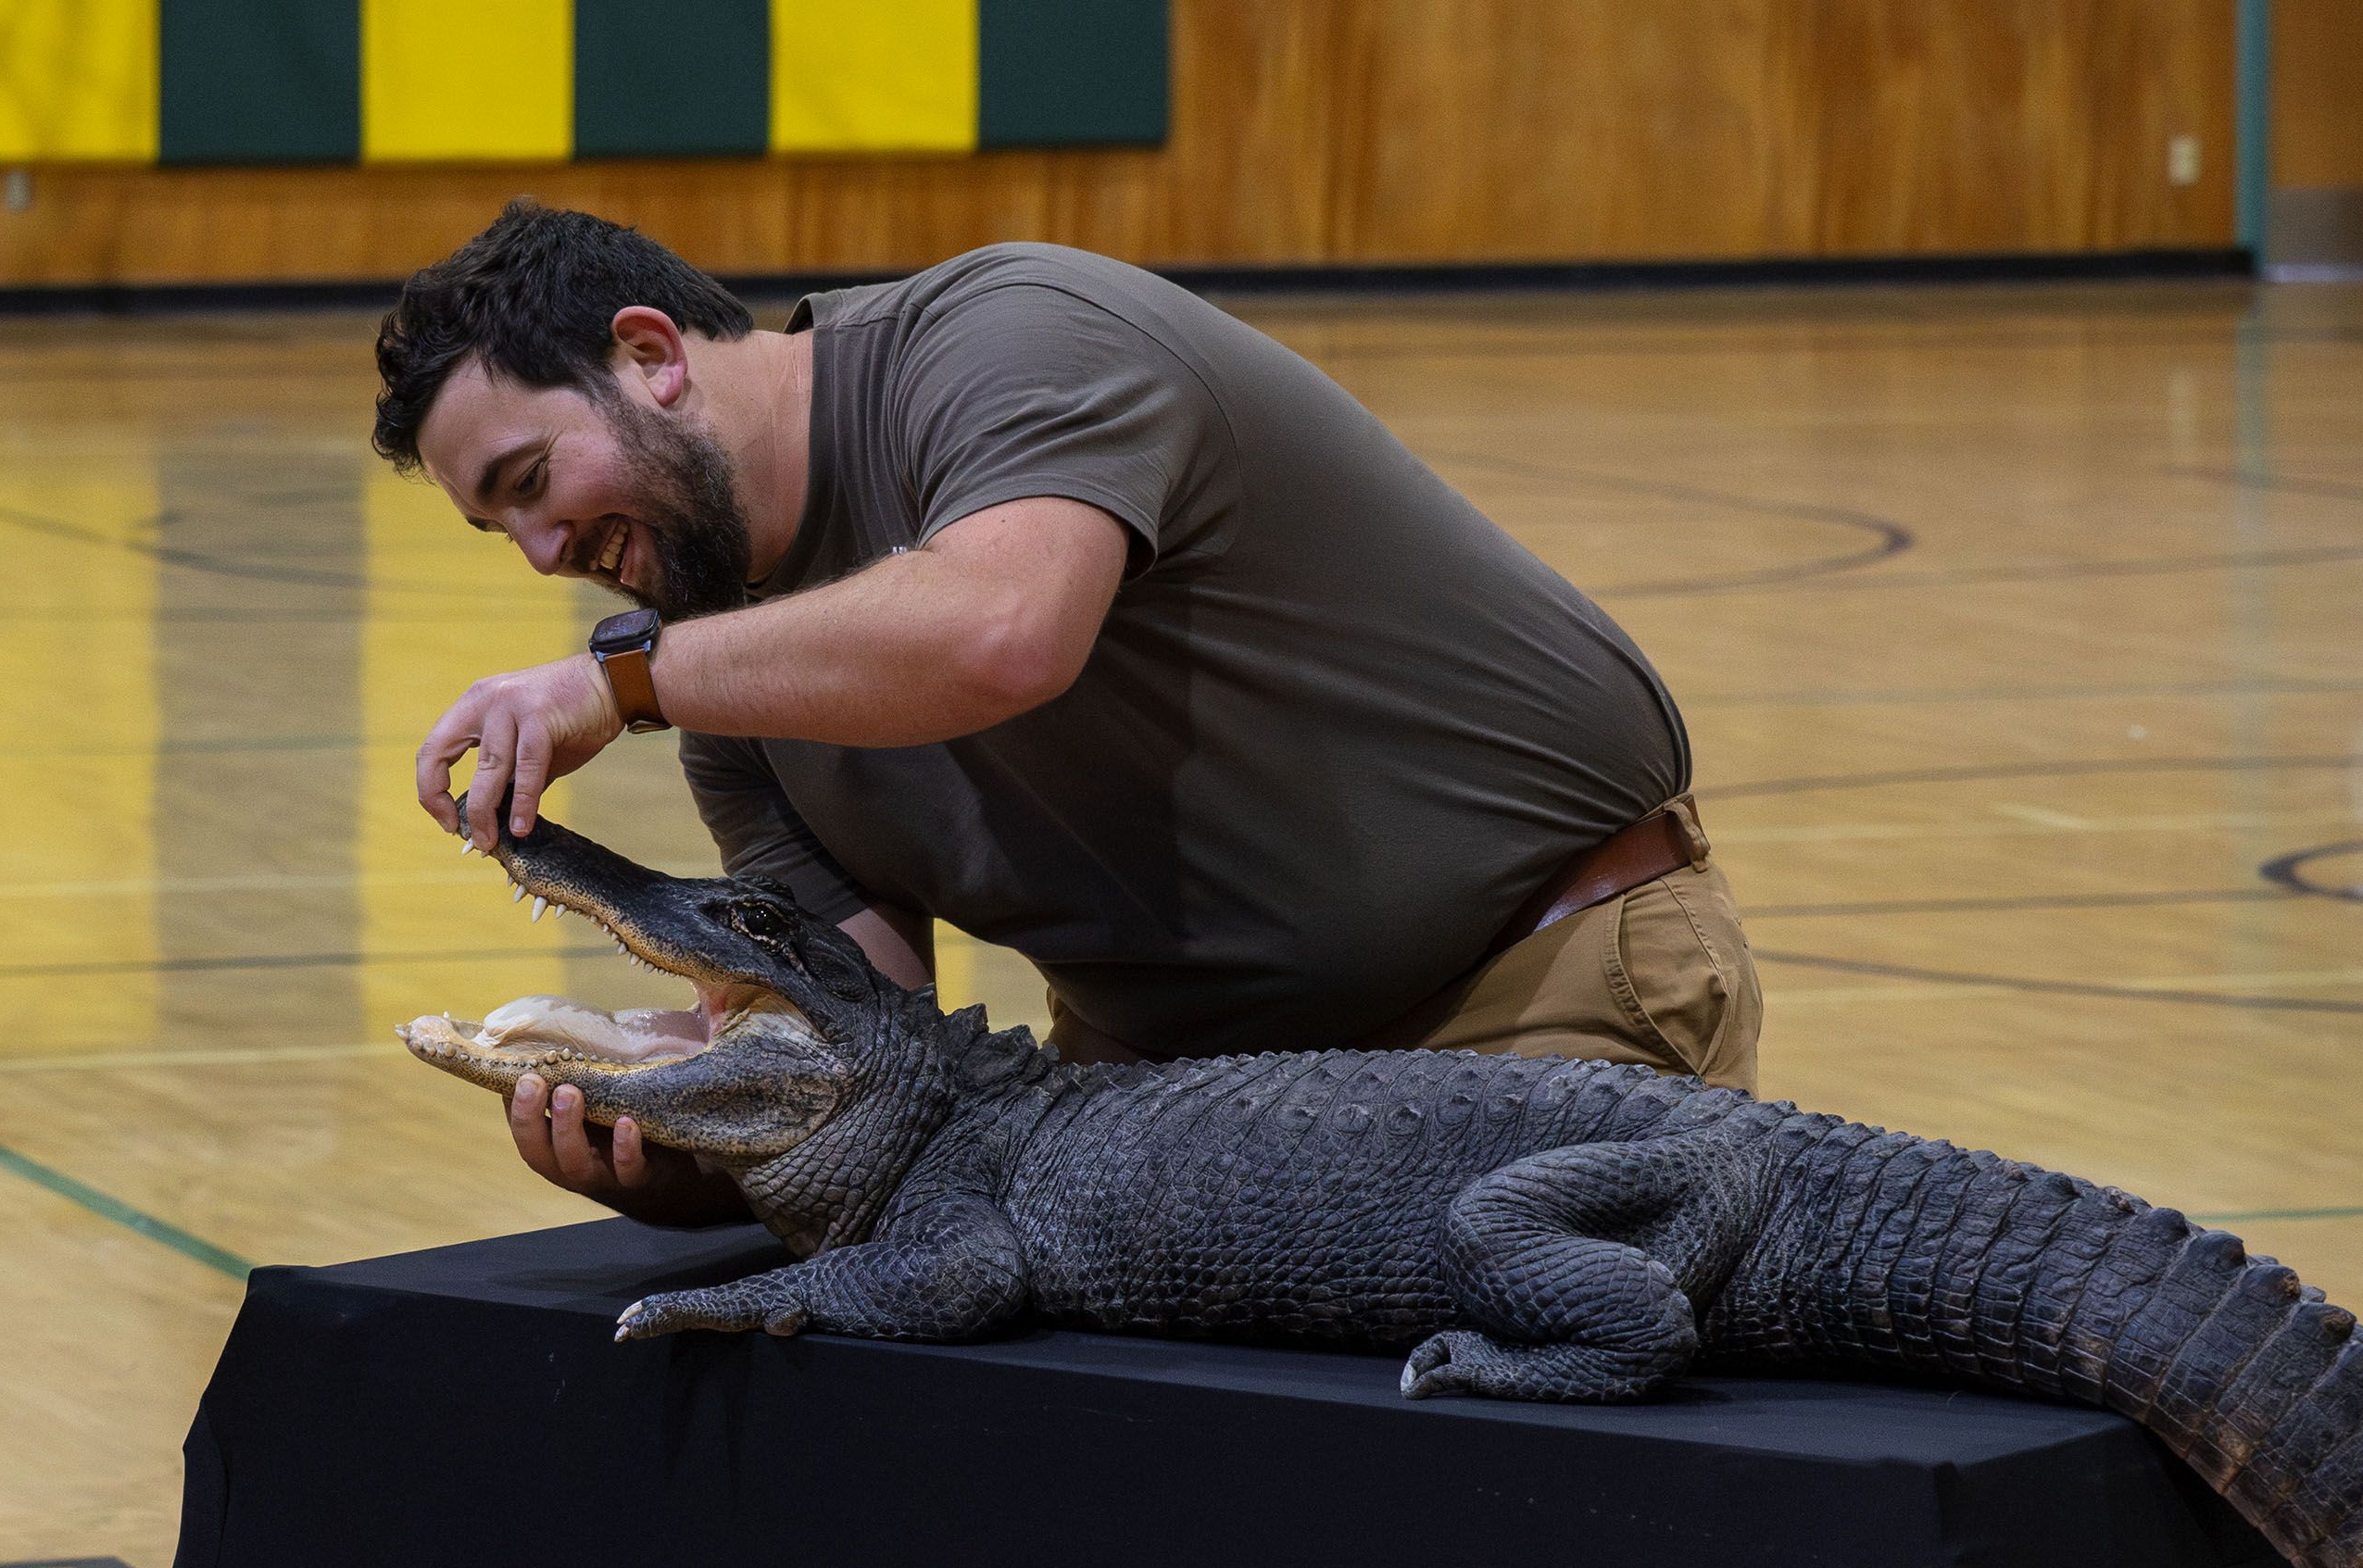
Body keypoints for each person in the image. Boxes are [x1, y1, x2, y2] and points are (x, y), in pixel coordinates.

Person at [372, 202, 1762, 1226]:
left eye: (529, 478)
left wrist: (618, 681)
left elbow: (998, 630)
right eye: (499, 527)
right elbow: (870, 1054)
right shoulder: (731, 673)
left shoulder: (1005, 336)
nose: (542, 552)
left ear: (652, 353)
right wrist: (672, 1144)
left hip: (1532, 998)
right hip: (1169, 1119)